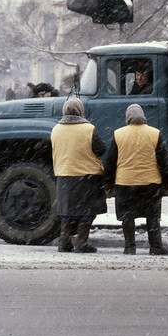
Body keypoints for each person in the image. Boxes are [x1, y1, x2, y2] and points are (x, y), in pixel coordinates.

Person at [104, 104, 168, 255]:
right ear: (143, 117)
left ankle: (130, 247)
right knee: (152, 216)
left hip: (125, 183)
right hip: (150, 183)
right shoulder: (154, 133)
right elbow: (164, 161)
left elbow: (110, 161)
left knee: (127, 216)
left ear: (127, 118)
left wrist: (108, 183)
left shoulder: (118, 134)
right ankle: (155, 246)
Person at [50, 98, 107, 253]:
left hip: (64, 174)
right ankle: (81, 242)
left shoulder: (56, 129)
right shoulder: (88, 128)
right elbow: (101, 148)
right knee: (87, 211)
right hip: (86, 175)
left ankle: (64, 242)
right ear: (81, 110)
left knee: (67, 211)